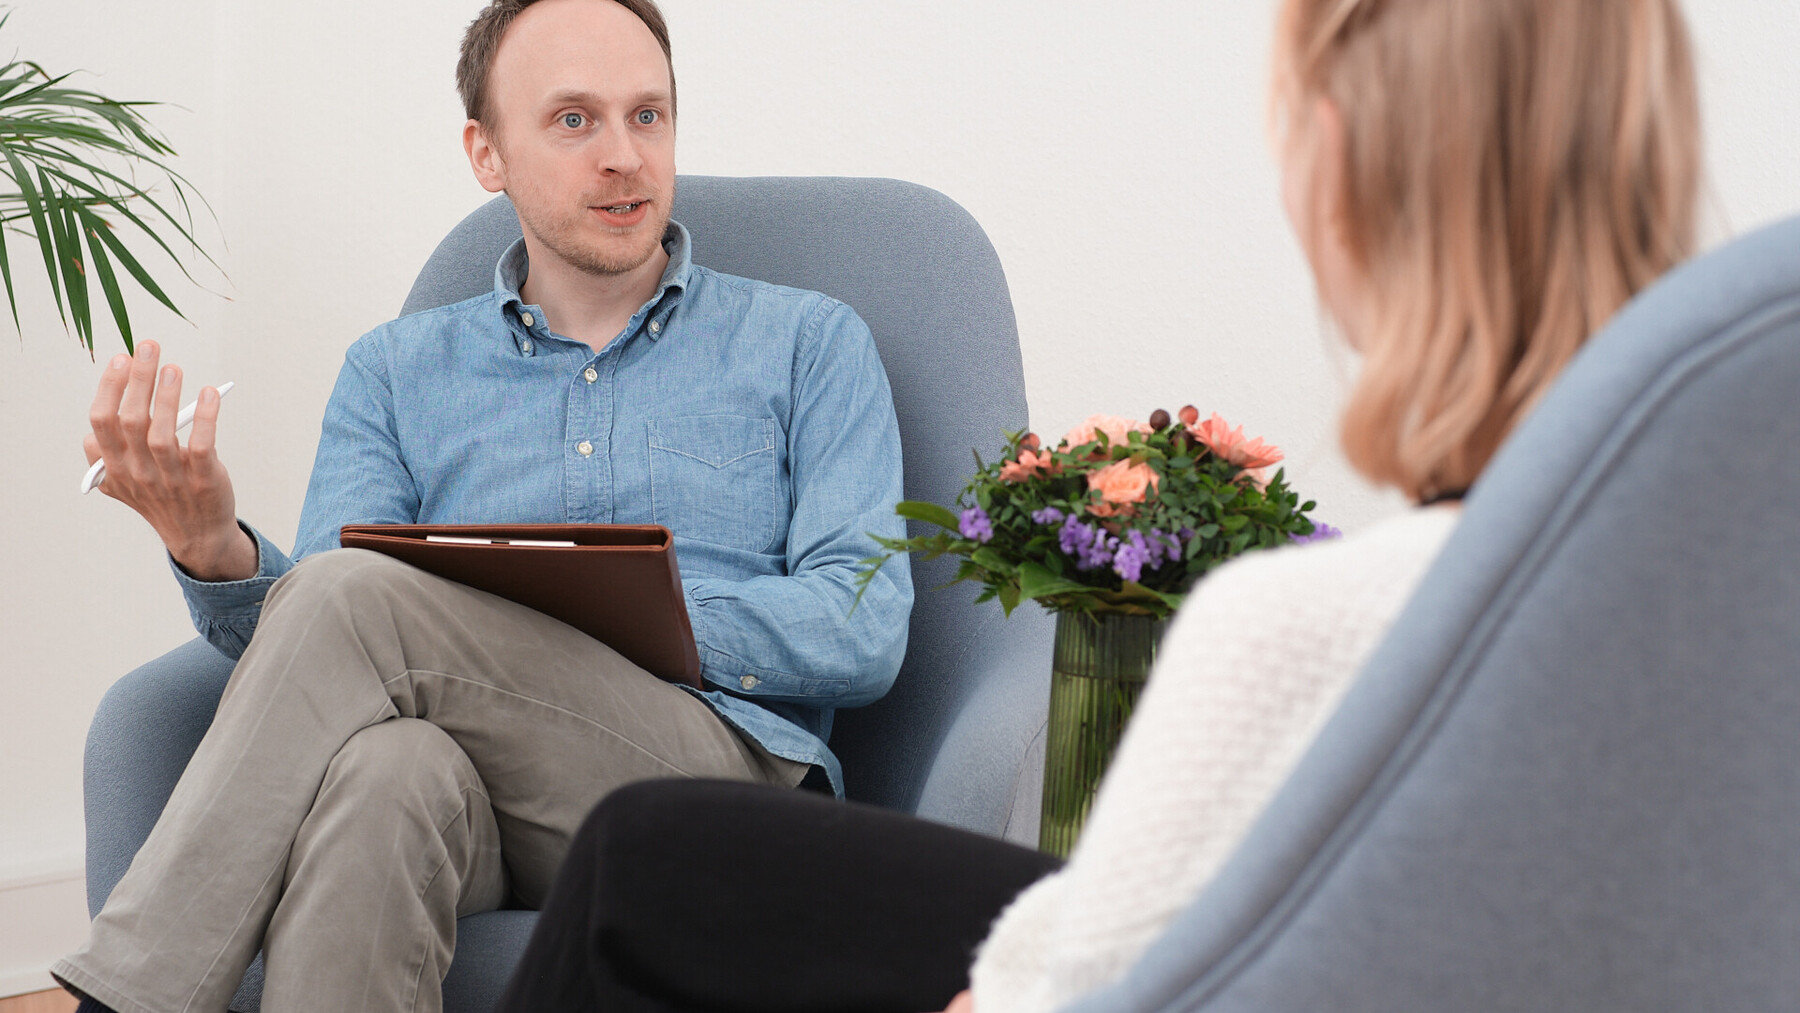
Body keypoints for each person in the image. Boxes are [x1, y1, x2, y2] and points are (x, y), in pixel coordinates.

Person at [492, 0, 1703, 1010]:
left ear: (1341, 171)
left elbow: (1074, 985)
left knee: (639, 856)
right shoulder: (1722, 552)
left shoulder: (1310, 632)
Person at [55, 1, 913, 1010]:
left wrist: (627, 617)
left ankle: (117, 999)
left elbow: (864, 626)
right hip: (484, 803)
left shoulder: (808, 343)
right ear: (486, 153)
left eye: (647, 115)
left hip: (720, 796)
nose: (624, 155)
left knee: (360, 601)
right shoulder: (395, 371)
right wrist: (212, 547)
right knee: (382, 773)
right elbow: (317, 651)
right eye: (574, 119)